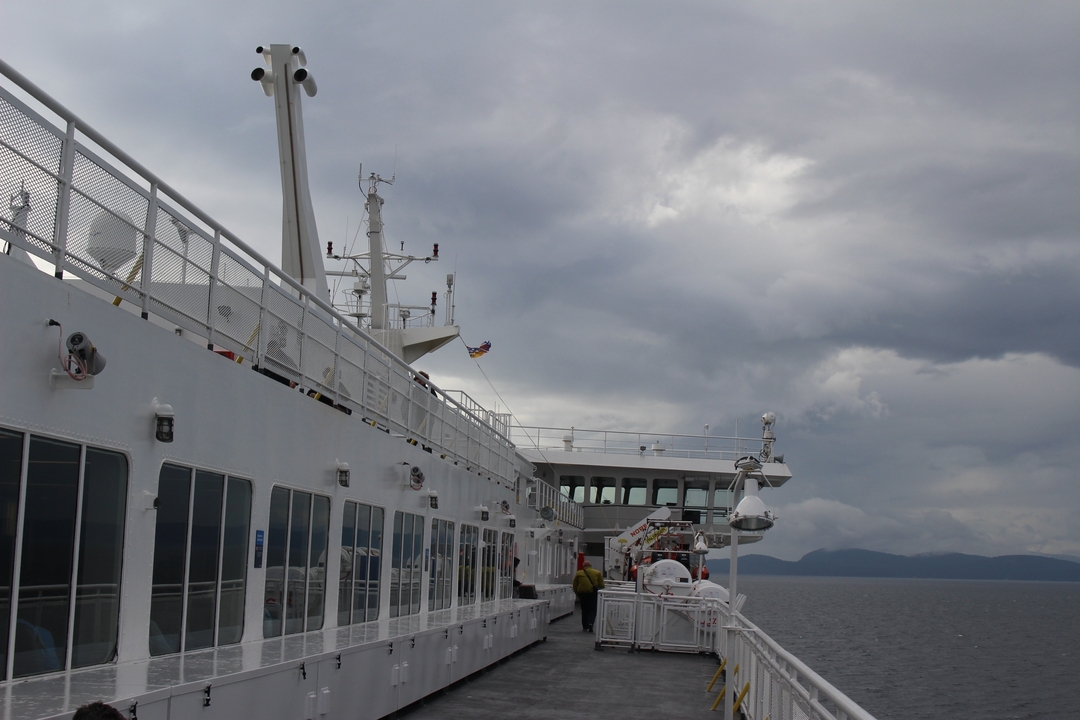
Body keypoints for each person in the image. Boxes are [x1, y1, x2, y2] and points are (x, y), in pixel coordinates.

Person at [572, 560, 605, 632]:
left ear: (583, 566)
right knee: (592, 609)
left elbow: (574, 585)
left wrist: (577, 593)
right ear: (591, 566)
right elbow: (602, 585)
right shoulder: (597, 573)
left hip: (582, 594)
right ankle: (590, 623)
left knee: (584, 610)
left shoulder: (578, 573)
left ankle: (585, 626)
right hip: (593, 593)